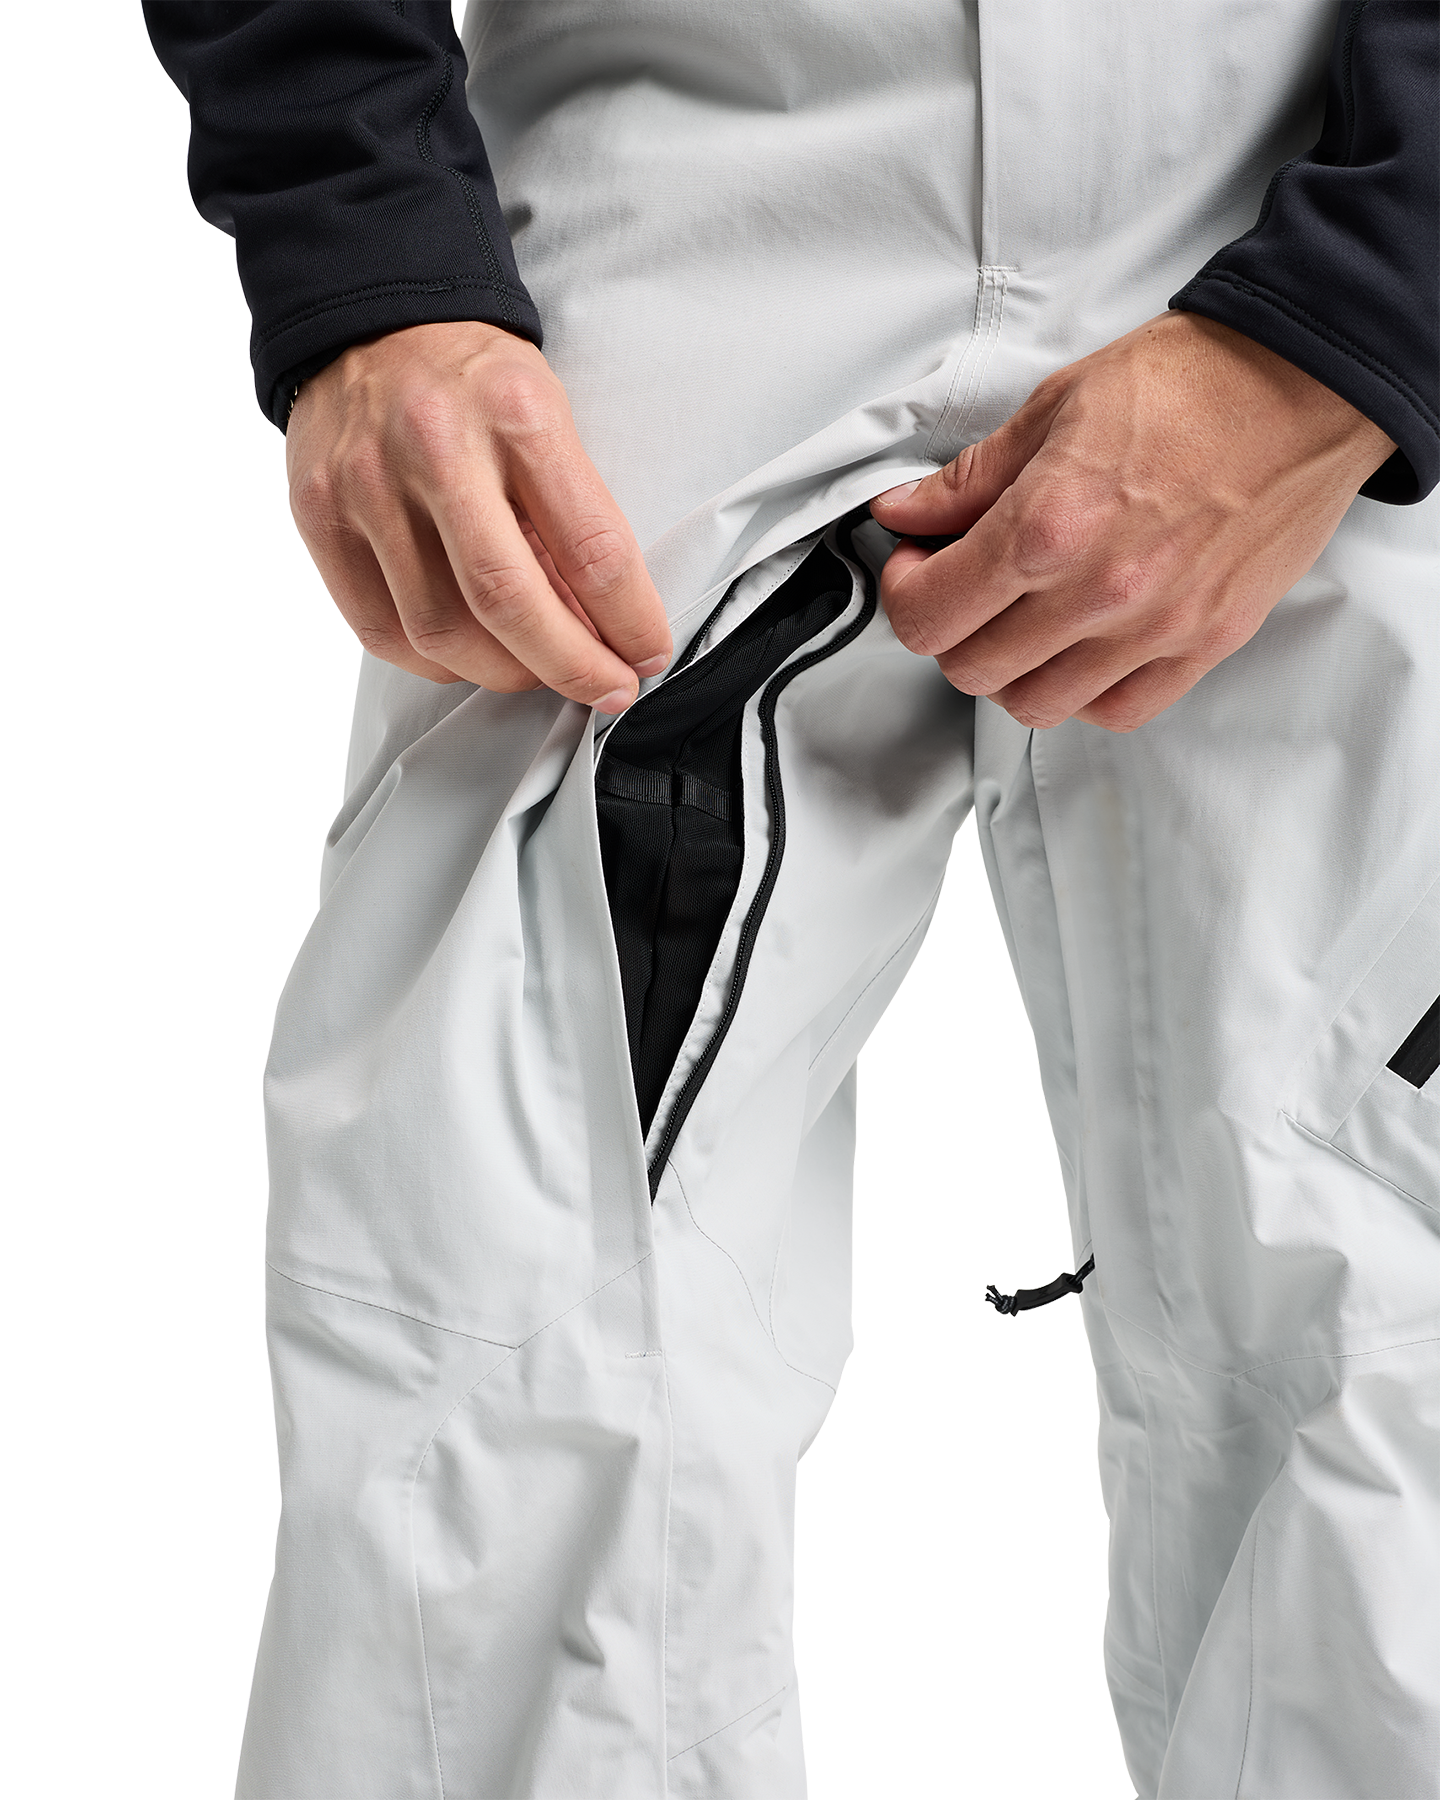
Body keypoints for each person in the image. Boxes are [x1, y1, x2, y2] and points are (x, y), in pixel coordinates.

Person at [144, 3, 1440, 1796]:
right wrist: (358, 230)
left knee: (1396, 1351)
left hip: (1324, 158)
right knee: (505, 1356)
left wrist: (1371, 302)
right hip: (675, 145)